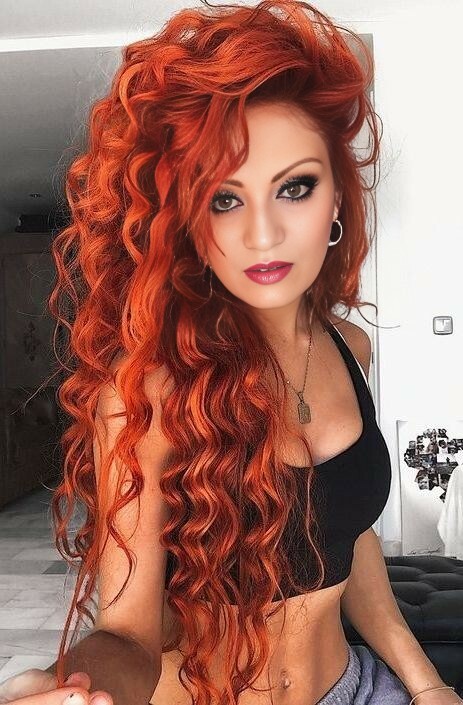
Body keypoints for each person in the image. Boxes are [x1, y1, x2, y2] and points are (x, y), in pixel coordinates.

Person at [1, 1, 461, 704]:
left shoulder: (352, 348)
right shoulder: (148, 389)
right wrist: (79, 687)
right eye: (223, 199)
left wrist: (425, 684)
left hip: (355, 687)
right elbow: (126, 631)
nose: (263, 234)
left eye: (295, 187)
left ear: (337, 197)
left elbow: (347, 535)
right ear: (185, 219)